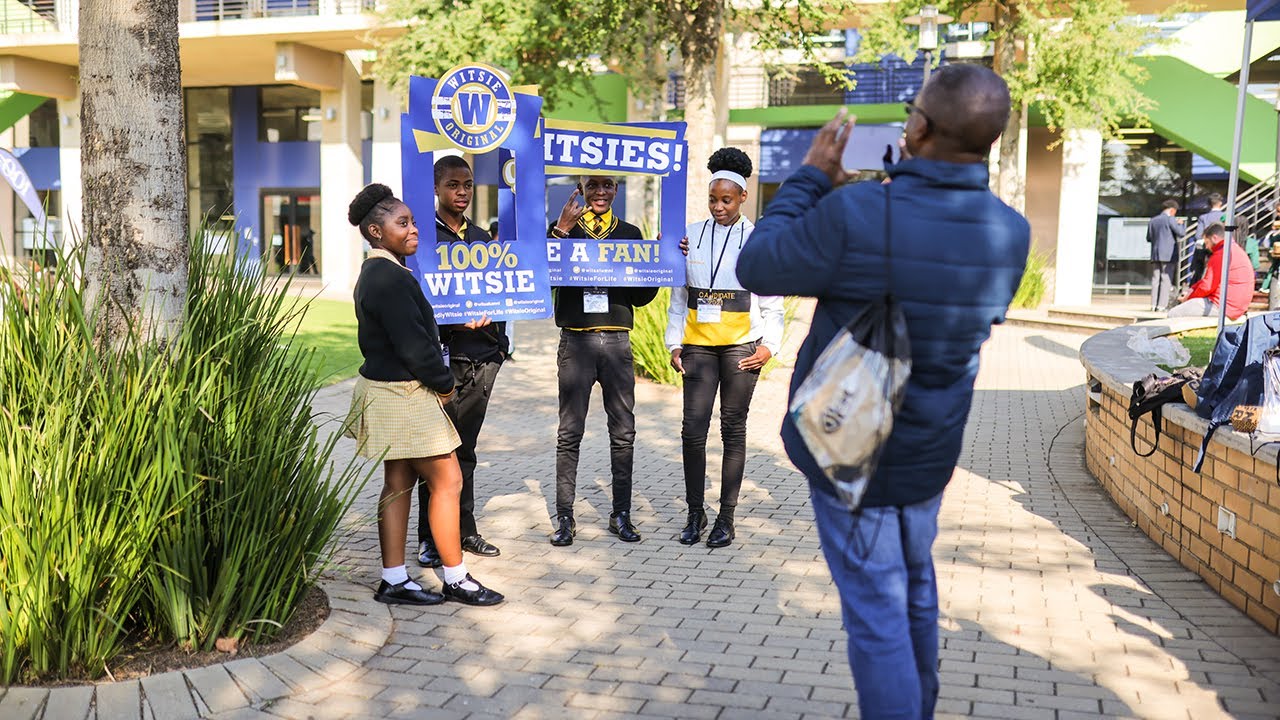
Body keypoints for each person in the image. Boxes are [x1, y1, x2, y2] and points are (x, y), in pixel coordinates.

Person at [736, 65, 1030, 719]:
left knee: (876, 615)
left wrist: (812, 179)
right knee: (915, 589)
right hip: (928, 454)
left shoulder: (856, 213)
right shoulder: (1010, 232)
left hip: (848, 448)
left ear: (918, 127)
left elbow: (757, 265)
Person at [343, 182, 503, 607]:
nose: (414, 229)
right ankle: (456, 577)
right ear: (376, 231)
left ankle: (394, 579)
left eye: (413, 221)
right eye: (403, 223)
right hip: (405, 393)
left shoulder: (377, 271)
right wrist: (446, 384)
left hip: (386, 390)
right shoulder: (390, 278)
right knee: (448, 479)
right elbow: (414, 345)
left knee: (398, 483)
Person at [666, 147, 783, 548]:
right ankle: (694, 513)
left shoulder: (758, 239)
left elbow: (772, 300)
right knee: (692, 432)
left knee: (733, 430)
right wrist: (673, 342)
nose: (718, 206)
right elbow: (680, 296)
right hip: (698, 347)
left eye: (726, 200)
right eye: (713, 199)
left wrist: (770, 346)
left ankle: (726, 518)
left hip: (741, 349)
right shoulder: (690, 236)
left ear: (743, 198)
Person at [547, 176, 659, 546]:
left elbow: (642, 298)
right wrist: (560, 231)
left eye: (607, 185)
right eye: (592, 185)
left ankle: (621, 514)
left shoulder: (629, 233)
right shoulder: (565, 231)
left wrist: (656, 262)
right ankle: (564, 518)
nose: (599, 192)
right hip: (575, 344)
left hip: (616, 344)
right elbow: (541, 274)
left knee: (623, 432)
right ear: (581, 186)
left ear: (616, 190)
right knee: (569, 434)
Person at [416, 156, 506, 568]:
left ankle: (464, 531)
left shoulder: (484, 239)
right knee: (436, 452)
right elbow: (418, 303)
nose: (463, 192)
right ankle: (430, 538)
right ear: (436, 189)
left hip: (481, 359)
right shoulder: (422, 241)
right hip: (442, 362)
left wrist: (499, 345)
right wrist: (454, 318)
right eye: (454, 185)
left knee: (465, 450)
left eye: (468, 185)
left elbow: (506, 293)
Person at [1167, 222, 1254, 320]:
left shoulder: (1221, 254)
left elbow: (1207, 286)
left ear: (1214, 238)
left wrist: (1188, 298)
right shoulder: (1234, 249)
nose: (1207, 247)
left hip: (1223, 306)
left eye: (1207, 242)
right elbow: (1208, 281)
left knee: (1173, 313)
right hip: (1236, 306)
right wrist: (1193, 289)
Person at [1146, 199, 1182, 312]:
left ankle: (1153, 305)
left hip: (1155, 253)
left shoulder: (1153, 220)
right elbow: (1181, 233)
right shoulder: (1170, 219)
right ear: (1172, 210)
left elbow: (1149, 238)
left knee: (1155, 279)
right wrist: (1181, 224)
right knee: (1166, 279)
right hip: (1168, 254)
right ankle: (1162, 305)